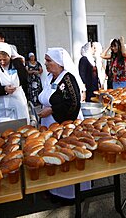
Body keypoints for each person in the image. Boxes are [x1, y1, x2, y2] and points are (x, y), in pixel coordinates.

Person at [38, 47, 90, 202]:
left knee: (66, 156)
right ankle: (55, 190)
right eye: (45, 60)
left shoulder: (67, 79)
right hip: (50, 125)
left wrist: (52, 110)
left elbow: (73, 104)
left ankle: (71, 194)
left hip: (64, 126)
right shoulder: (50, 77)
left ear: (59, 63)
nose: (46, 63)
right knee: (53, 156)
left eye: (49, 60)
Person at [0, 42, 29, 123]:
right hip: (2, 102)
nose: (2, 62)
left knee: (22, 123)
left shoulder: (17, 63)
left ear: (9, 56)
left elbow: (24, 79)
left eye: (5, 59)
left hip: (18, 99)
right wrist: (4, 89)